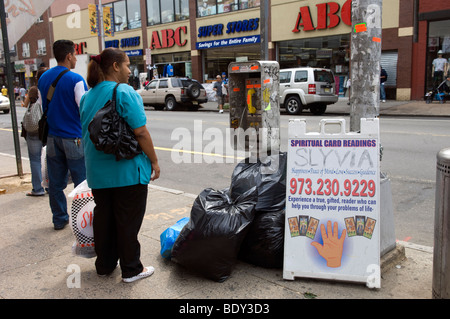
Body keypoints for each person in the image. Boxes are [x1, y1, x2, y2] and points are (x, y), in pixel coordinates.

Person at [80, 48, 160, 283]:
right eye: (126, 65)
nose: (129, 70)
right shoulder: (124, 92)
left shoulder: (87, 96)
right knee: (127, 221)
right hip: (126, 172)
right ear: (115, 66)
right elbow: (141, 132)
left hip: (97, 174)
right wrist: (154, 161)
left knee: (104, 220)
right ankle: (132, 269)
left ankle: (104, 265)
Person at [38, 40, 88, 230]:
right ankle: (82, 221)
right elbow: (84, 109)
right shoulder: (76, 80)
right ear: (68, 56)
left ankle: (59, 218)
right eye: (74, 55)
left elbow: (43, 107)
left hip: (52, 138)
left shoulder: (43, 79)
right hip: (74, 138)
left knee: (55, 183)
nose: (75, 58)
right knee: (81, 182)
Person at [22, 67, 48, 197]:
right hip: (47, 128)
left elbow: (25, 103)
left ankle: (38, 188)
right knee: (49, 159)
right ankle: (50, 186)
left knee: (35, 160)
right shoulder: (50, 88)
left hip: (34, 130)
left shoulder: (33, 89)